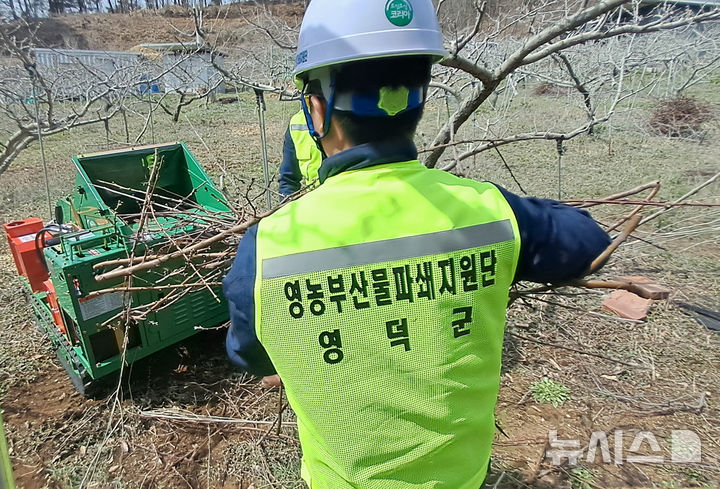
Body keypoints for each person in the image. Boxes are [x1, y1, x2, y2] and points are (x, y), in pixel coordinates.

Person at [223, 0, 611, 487]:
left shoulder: (269, 246)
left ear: (316, 110)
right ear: (420, 99)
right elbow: (588, 242)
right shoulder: (489, 212)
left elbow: (250, 355)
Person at [278, 109, 324, 196]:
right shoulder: (297, 122)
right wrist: (288, 207)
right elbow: (288, 180)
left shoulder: (350, 115)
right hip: (314, 202)